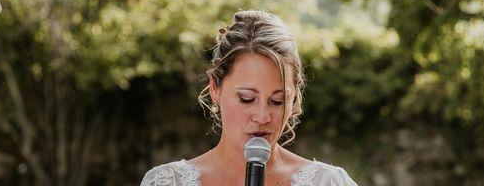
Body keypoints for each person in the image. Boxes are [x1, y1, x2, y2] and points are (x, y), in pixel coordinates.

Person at [139, 10, 358, 186]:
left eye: (277, 101)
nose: (263, 117)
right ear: (216, 89)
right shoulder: (166, 182)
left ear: (294, 100)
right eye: (246, 99)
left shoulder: (329, 182)